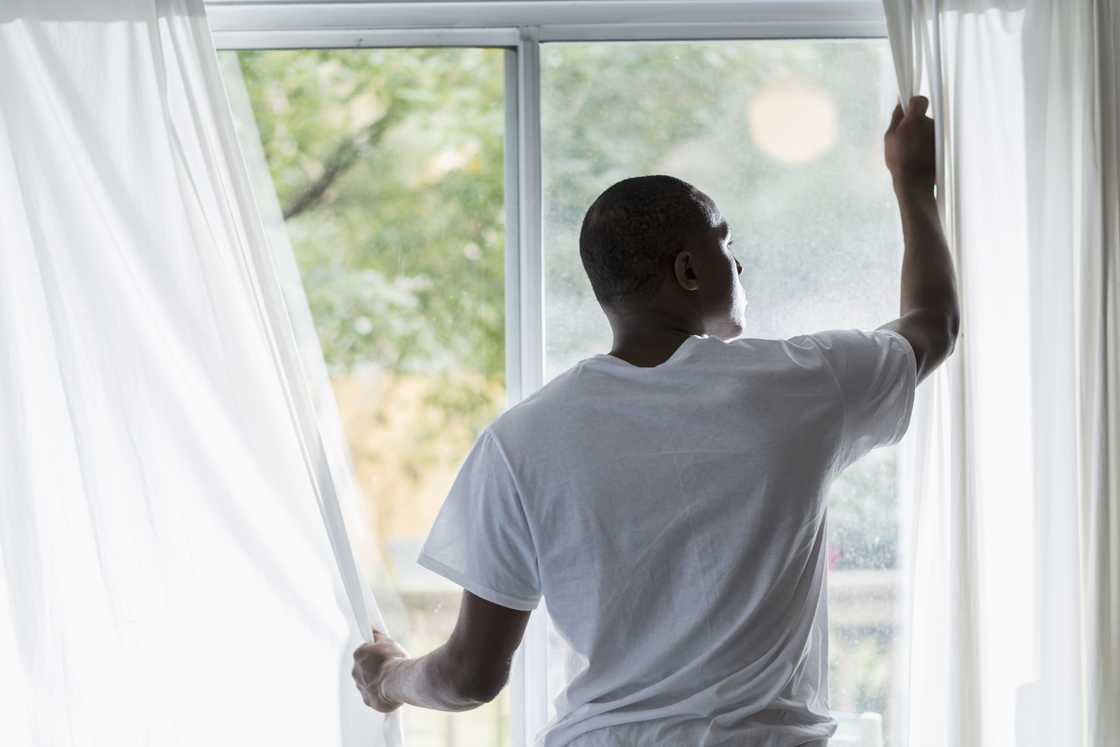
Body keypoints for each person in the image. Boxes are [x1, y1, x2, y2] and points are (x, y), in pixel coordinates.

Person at [352, 94, 959, 746]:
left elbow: (470, 676)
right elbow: (934, 325)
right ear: (688, 269)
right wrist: (911, 185)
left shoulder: (520, 440)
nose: (739, 264)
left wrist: (388, 678)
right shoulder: (802, 384)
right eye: (726, 243)